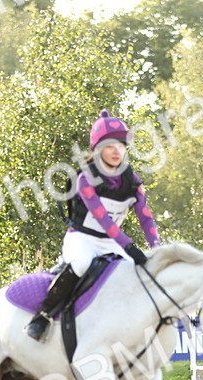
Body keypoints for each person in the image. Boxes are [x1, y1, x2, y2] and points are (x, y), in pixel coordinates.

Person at [25, 110, 162, 341]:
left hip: (111, 242)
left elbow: (146, 217)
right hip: (82, 238)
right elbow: (103, 220)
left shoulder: (133, 181)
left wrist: (157, 248)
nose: (117, 151)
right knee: (81, 263)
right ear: (98, 149)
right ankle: (43, 316)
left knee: (138, 274)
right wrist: (130, 247)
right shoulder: (85, 179)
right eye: (110, 146)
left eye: (121, 145)